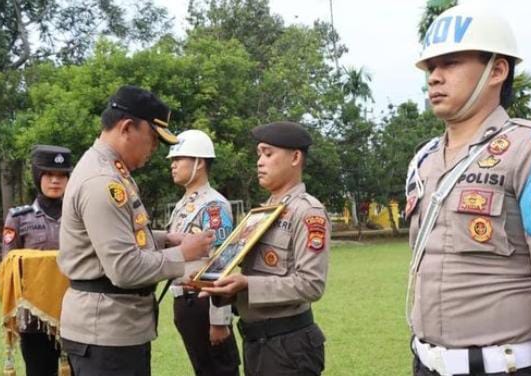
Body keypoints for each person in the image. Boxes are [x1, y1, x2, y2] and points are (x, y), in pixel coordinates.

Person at [404, 4, 531, 376]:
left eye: (451, 63)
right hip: (427, 364)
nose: (435, 77)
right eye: (431, 67)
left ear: (498, 69)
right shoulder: (424, 160)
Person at [57, 85, 214, 376]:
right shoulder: (103, 182)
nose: (154, 150)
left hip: (113, 330)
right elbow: (124, 268)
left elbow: (113, 238)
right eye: (153, 139)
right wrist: (184, 253)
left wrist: (164, 239)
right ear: (127, 127)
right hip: (106, 335)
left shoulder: (111, 172)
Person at [200, 121, 330, 376]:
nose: (260, 161)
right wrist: (224, 290)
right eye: (259, 154)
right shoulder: (262, 213)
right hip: (257, 342)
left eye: (268, 154)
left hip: (288, 346)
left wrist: (247, 285)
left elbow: (312, 284)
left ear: (295, 157)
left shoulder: (307, 212)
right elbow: (256, 273)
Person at [164, 129, 240, 375]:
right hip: (184, 301)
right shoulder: (183, 205)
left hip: (204, 303)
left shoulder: (214, 205)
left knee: (220, 370)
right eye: (172, 161)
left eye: (179, 159)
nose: (173, 165)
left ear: (199, 162)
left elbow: (221, 262)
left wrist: (220, 320)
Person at [1, 145, 73, 376]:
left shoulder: (79, 216)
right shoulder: (19, 217)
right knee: (39, 371)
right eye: (49, 175)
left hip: (75, 311)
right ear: (37, 177)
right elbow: (9, 266)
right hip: (34, 316)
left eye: (62, 175)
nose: (55, 181)